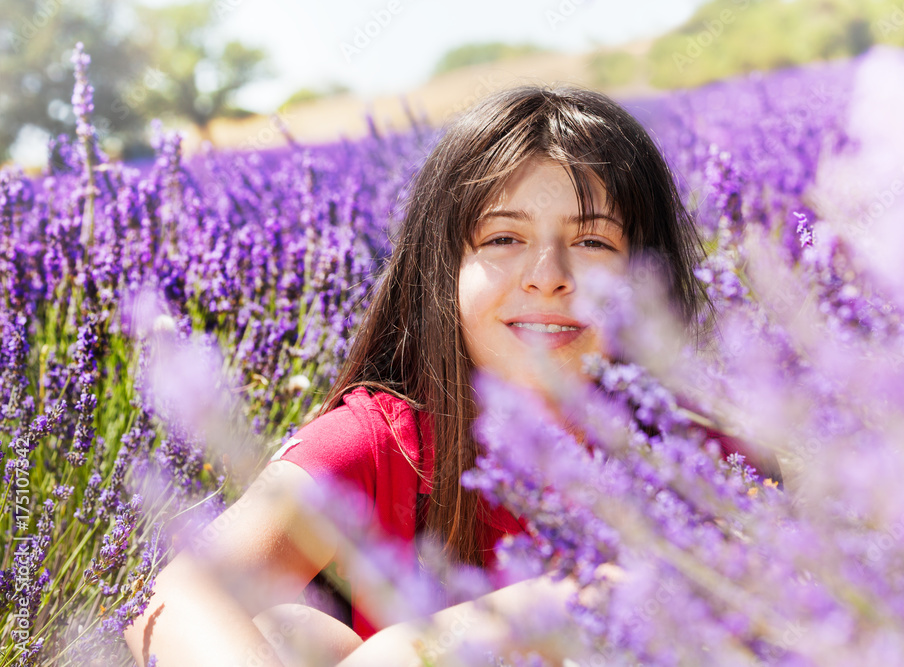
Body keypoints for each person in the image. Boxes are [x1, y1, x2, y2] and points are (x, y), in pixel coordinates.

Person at [123, 85, 709, 666]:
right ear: (442, 269)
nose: (547, 275)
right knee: (286, 633)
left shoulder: (699, 453)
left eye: (592, 240)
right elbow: (176, 597)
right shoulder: (383, 442)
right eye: (503, 238)